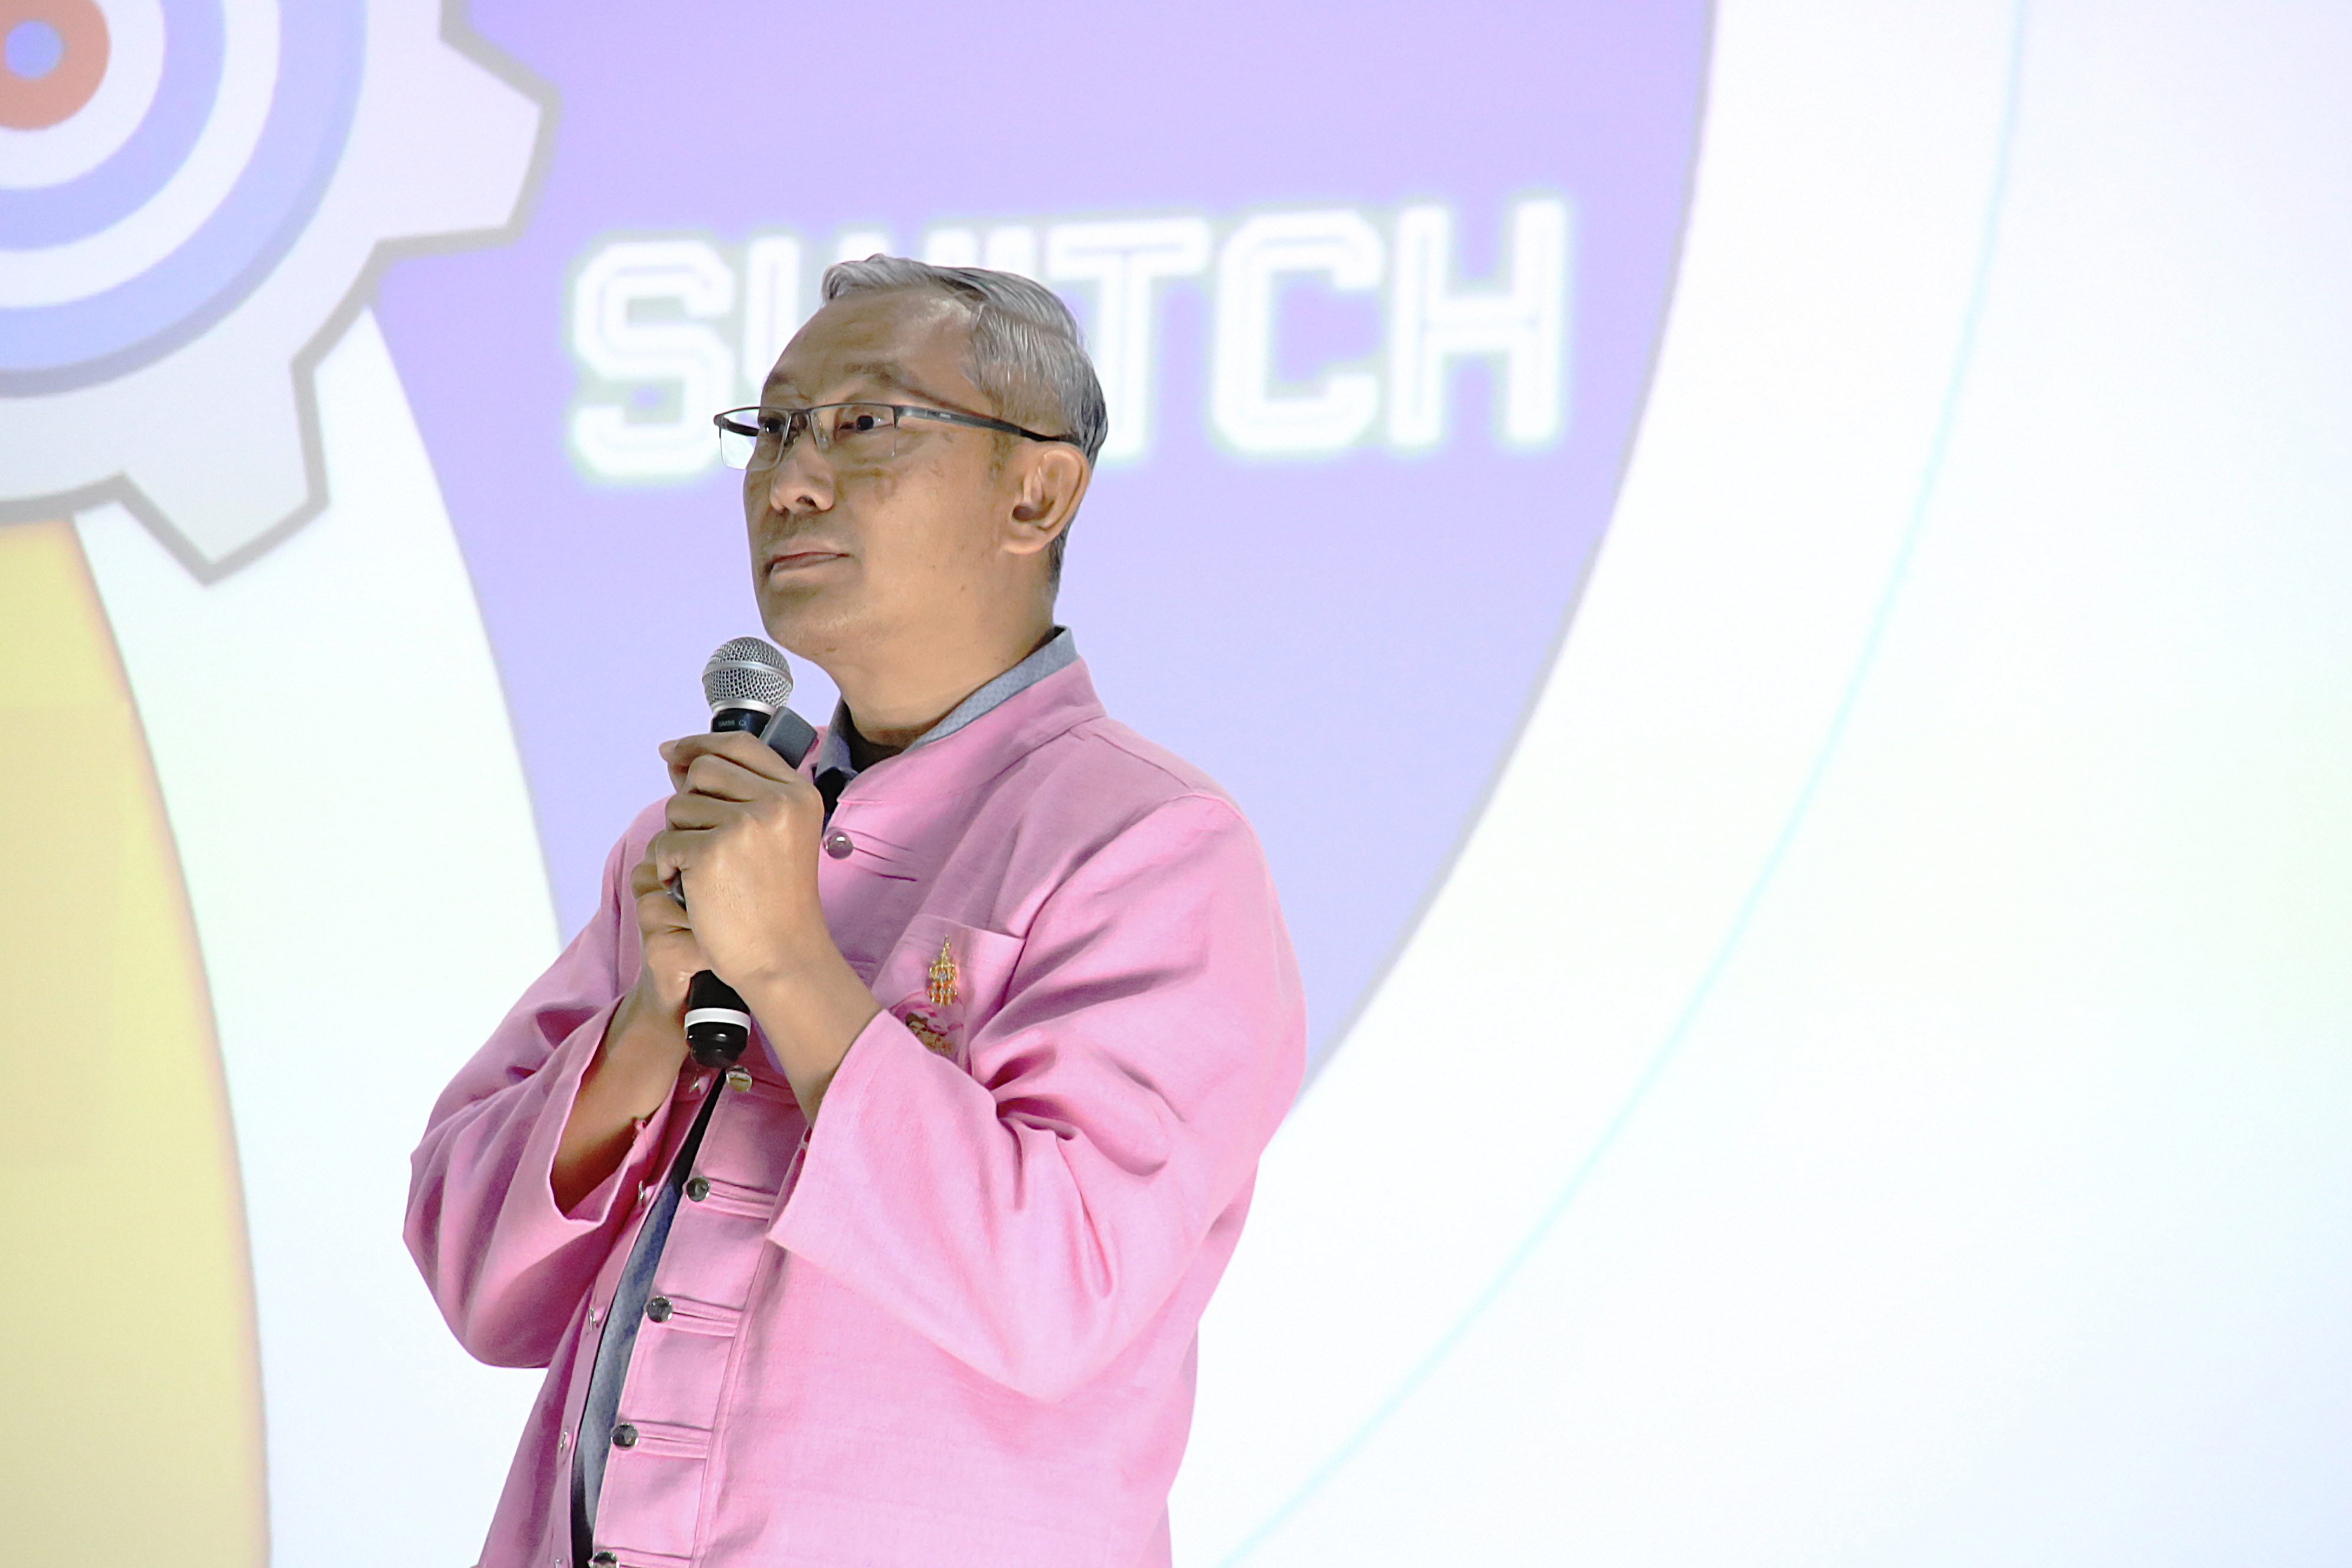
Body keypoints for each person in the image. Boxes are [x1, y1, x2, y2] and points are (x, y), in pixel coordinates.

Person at [405, 257, 1306, 1568]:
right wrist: (653, 1020)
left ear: (1036, 492)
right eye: (772, 429)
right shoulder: (689, 843)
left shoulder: (1151, 845)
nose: (790, 480)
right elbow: (477, 1277)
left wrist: (785, 964)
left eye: (864, 422)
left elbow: (1058, 1290)